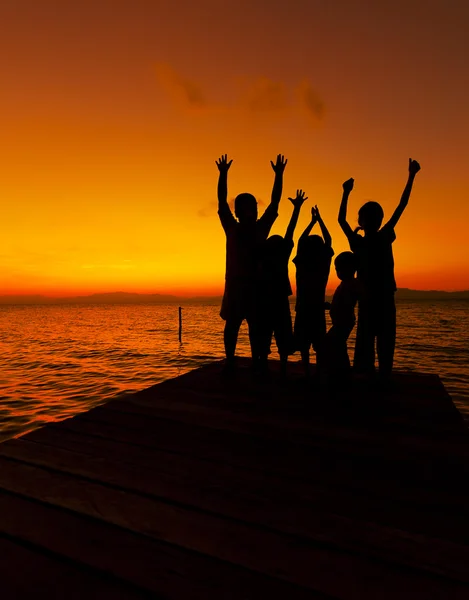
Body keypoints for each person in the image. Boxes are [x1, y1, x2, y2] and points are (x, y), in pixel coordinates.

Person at [338, 159, 421, 379]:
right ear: (370, 221)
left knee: (372, 345)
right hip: (378, 298)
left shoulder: (365, 241)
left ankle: (372, 379)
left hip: (374, 298)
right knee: (381, 345)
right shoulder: (381, 237)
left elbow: (341, 220)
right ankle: (379, 380)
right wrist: (411, 176)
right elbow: (401, 206)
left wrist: (345, 193)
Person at [216, 153, 288, 370]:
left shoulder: (259, 229)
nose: (253, 211)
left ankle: (259, 360)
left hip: (257, 286)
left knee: (257, 327)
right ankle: (231, 359)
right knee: (233, 325)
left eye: (254, 207)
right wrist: (223, 175)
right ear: (238, 212)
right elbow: (221, 201)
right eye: (248, 208)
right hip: (236, 285)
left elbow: (275, 203)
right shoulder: (233, 228)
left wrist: (279, 176)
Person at [258, 189, 307, 376]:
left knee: (267, 334)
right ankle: (282, 365)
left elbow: (289, 232)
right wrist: (297, 209)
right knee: (281, 334)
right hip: (278, 301)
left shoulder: (266, 256)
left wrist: (297, 209)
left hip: (267, 301)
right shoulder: (280, 255)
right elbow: (290, 230)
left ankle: (263, 363)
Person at [293, 205, 334, 377]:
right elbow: (329, 240)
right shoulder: (322, 265)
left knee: (303, 343)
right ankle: (317, 371)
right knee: (318, 342)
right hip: (317, 308)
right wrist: (320, 220)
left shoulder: (301, 263)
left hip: (303, 308)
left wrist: (312, 222)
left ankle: (308, 370)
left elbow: (301, 240)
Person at [325, 251, 359, 382]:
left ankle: (341, 373)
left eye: (339, 269)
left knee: (332, 343)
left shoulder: (352, 283)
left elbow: (349, 301)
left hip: (344, 321)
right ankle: (341, 372)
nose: (338, 272)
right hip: (340, 320)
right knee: (337, 346)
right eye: (336, 269)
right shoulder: (345, 284)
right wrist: (330, 306)